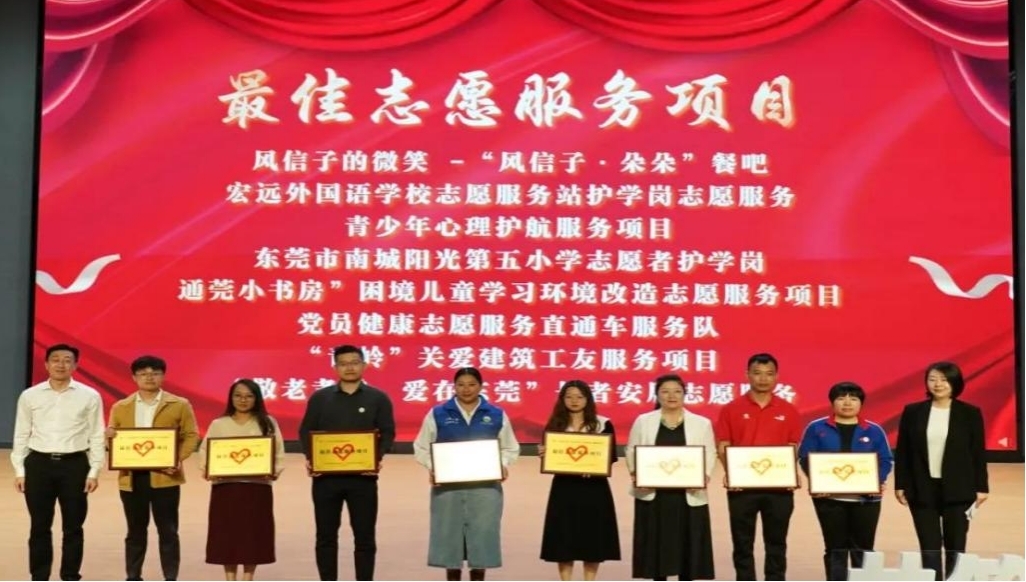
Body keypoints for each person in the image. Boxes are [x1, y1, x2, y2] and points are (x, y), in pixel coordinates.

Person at [413, 367, 520, 581]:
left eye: (471, 384)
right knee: (449, 537)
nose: (466, 389)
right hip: (447, 488)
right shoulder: (438, 413)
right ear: (454, 387)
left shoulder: (496, 414)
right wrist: (434, 467)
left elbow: (510, 447)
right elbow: (421, 447)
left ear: (481, 386)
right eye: (461, 385)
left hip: (485, 488)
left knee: (482, 537)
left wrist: (502, 464)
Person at [299, 345, 396, 581]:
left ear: (364, 365)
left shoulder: (378, 398)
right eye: (343, 363)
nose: (349, 368)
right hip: (326, 479)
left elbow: (387, 432)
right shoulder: (320, 398)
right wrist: (312, 459)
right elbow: (306, 431)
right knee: (325, 536)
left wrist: (376, 458)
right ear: (335, 368)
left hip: (363, 479)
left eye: (354, 362)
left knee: (364, 537)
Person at [11, 344, 105, 581]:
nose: (60, 365)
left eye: (67, 360)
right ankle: (39, 576)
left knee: (73, 526)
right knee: (39, 526)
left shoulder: (89, 395)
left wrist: (94, 471)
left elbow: (96, 434)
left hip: (74, 465)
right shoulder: (30, 395)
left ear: (75, 365)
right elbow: (21, 433)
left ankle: (70, 575)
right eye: (55, 359)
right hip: (38, 465)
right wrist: (20, 470)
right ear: (46, 364)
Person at [108, 355, 201, 582]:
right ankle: (133, 576)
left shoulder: (179, 404)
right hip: (131, 478)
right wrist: (108, 439)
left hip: (165, 477)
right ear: (134, 377)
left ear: (163, 376)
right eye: (143, 374)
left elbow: (191, 435)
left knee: (168, 531)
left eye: (155, 373)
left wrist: (177, 459)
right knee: (135, 531)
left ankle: (170, 577)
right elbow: (113, 440)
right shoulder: (121, 407)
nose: (149, 378)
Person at [894, 362, 989, 581]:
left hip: (959, 488)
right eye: (933, 379)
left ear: (955, 383)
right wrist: (900, 483)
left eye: (944, 380)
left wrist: (982, 487)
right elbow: (904, 451)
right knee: (929, 545)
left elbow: (977, 453)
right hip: (921, 487)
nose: (938, 384)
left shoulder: (970, 413)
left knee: (956, 544)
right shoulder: (913, 412)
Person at [715, 353, 802, 581]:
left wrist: (790, 473)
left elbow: (792, 446)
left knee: (777, 542)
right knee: (742, 542)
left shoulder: (788, 410)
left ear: (777, 377)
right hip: (742, 488)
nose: (763, 379)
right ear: (747, 375)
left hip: (779, 489)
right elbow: (724, 444)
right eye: (757, 373)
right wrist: (731, 473)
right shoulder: (731, 409)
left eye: (769, 374)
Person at [797, 382, 893, 581]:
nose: (847, 403)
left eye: (853, 398)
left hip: (866, 500)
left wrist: (877, 481)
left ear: (861, 403)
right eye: (841, 398)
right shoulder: (816, 428)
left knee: (864, 549)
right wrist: (816, 482)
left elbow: (885, 460)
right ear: (832, 402)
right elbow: (805, 457)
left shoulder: (874, 430)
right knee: (835, 549)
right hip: (828, 499)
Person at [626, 373, 717, 581]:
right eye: (665, 392)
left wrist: (704, 476)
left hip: (688, 494)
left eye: (677, 391)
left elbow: (709, 452)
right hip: (654, 494)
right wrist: (636, 473)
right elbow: (632, 450)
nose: (671, 396)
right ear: (657, 395)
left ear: (685, 394)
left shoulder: (701, 423)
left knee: (688, 545)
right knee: (657, 546)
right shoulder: (643, 421)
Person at [199, 379, 287, 581]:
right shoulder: (219, 424)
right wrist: (208, 470)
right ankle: (230, 578)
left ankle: (248, 577)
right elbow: (205, 452)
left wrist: (272, 471)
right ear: (231, 398)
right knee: (226, 534)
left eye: (249, 396)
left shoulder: (267, 423)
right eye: (238, 395)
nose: (243, 400)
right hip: (225, 488)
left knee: (253, 535)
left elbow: (278, 453)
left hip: (257, 488)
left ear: (257, 398)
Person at [539, 380, 621, 580]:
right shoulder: (555, 425)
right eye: (569, 396)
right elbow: (551, 455)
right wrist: (544, 454)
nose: (574, 401)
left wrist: (594, 467)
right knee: (563, 538)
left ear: (588, 399)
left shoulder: (603, 423)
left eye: (579, 396)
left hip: (594, 488)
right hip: (564, 487)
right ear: (562, 399)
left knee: (592, 539)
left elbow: (610, 456)